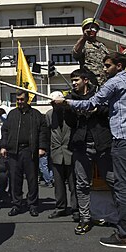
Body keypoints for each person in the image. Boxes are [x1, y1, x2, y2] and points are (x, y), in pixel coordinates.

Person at [55, 52, 126, 249]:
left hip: (124, 139)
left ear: (118, 65)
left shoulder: (113, 83)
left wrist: (66, 102)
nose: (104, 69)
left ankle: (125, 235)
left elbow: (91, 103)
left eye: (107, 66)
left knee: (122, 187)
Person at [57, 69, 113, 234]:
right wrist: (67, 109)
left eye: (76, 80)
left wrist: (93, 109)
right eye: (72, 81)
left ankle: (121, 218)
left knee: (113, 180)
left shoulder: (100, 94)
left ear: (86, 80)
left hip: (102, 144)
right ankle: (85, 218)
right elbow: (71, 123)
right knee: (81, 184)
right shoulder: (70, 99)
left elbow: (107, 111)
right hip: (81, 146)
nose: (74, 83)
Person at [0, 90, 49, 217]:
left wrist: (42, 147)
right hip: (13, 151)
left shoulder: (36, 115)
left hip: (30, 151)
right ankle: (16, 204)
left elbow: (43, 132)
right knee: (15, 180)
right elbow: (5, 131)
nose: (19, 102)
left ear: (27, 100)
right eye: (17, 100)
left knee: (32, 180)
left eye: (22, 99)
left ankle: (32, 205)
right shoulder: (12, 114)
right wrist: (3, 146)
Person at [45, 91, 77, 220]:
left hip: (71, 152)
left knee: (73, 184)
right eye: (52, 103)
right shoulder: (48, 115)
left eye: (56, 103)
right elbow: (47, 133)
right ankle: (60, 207)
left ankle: (76, 209)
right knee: (58, 184)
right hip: (56, 153)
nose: (54, 105)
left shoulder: (71, 113)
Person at [72, 18, 109, 87]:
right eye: (88, 28)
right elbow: (75, 54)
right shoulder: (83, 44)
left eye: (93, 28)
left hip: (105, 82)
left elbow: (110, 60)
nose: (91, 30)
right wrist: (84, 37)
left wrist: (125, 52)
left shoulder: (102, 46)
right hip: (91, 83)